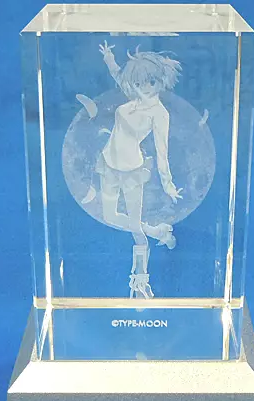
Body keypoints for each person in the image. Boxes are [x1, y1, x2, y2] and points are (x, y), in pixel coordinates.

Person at [97, 41, 183, 299]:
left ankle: (140, 282)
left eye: (151, 82)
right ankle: (156, 231)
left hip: (132, 171)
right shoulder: (132, 99)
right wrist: (109, 58)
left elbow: (162, 152)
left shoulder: (160, 113)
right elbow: (119, 76)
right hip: (108, 163)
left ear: (160, 80)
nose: (145, 88)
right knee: (110, 216)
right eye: (139, 83)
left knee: (135, 228)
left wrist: (168, 184)